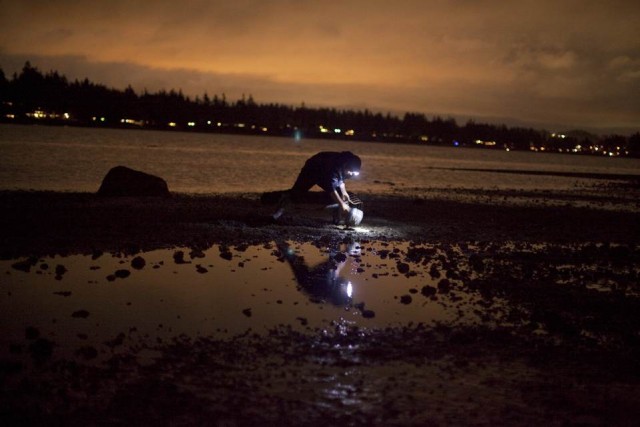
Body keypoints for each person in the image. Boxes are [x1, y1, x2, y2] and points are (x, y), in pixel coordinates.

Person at [272, 151, 362, 220]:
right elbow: (331, 187)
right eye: (350, 172)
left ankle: (337, 216)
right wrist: (342, 204)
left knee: (341, 195)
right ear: (345, 166)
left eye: (353, 173)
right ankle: (280, 209)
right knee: (297, 193)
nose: (351, 174)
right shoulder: (333, 167)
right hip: (313, 169)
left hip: (327, 173)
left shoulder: (348, 164)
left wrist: (344, 191)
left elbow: (341, 179)